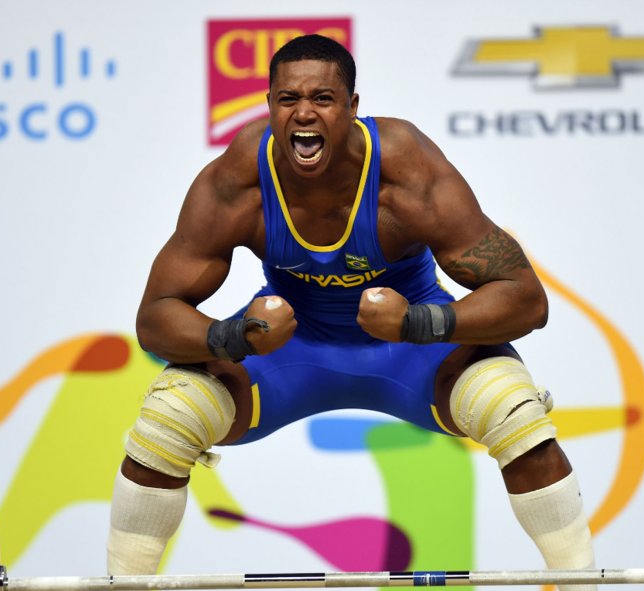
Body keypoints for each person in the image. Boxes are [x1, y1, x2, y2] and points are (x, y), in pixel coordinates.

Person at [107, 34, 596, 591]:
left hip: (414, 354)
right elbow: (155, 319)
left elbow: (527, 299)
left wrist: (417, 323)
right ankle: (124, 585)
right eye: (288, 99)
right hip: (286, 355)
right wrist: (235, 336)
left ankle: (582, 583)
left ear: (353, 107)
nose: (304, 113)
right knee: (167, 419)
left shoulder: (405, 170)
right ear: (270, 106)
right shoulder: (239, 177)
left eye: (323, 98)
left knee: (514, 410)